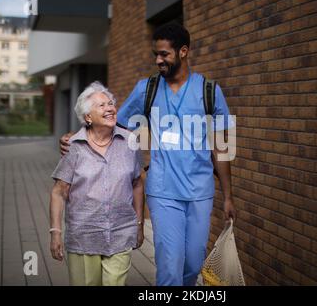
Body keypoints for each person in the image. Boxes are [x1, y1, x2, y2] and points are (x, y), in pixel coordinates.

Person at [60, 23, 236, 286]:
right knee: (169, 263)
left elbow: (221, 148)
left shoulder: (210, 92)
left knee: (192, 263)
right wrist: (75, 136)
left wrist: (228, 196)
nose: (158, 60)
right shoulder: (147, 89)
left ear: (184, 52)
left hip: (201, 191)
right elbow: (112, 121)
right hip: (162, 190)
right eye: (156, 54)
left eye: (164, 54)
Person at [50, 81, 144, 286]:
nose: (110, 108)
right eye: (101, 105)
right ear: (88, 117)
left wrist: (139, 224)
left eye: (110, 103)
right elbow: (59, 192)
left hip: (120, 232)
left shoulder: (130, 142)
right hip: (83, 236)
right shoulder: (73, 146)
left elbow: (137, 183)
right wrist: (56, 233)